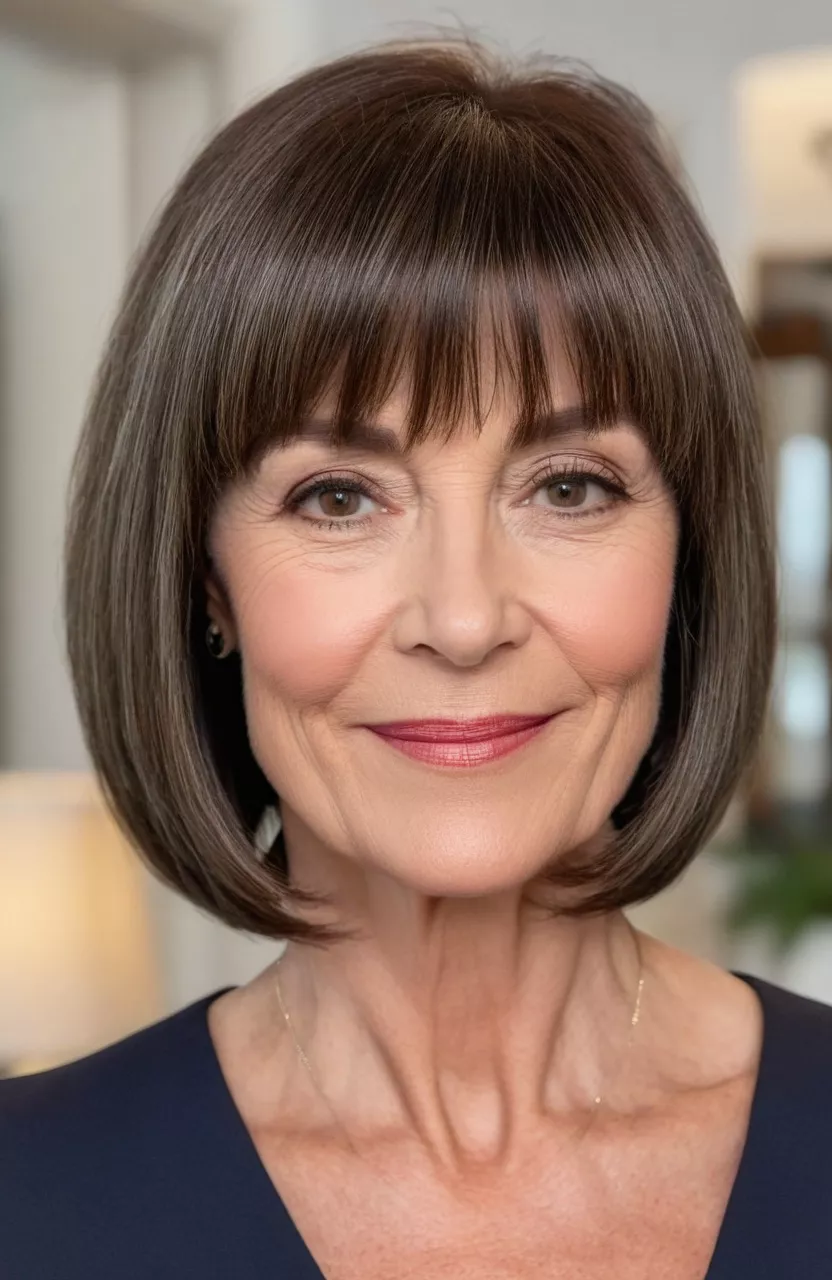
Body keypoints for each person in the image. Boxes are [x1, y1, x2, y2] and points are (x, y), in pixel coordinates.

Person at [2, 33, 831, 1280]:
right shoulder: (28, 1203)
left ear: (687, 551)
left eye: (567, 485)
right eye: (339, 497)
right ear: (204, 578)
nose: (461, 617)